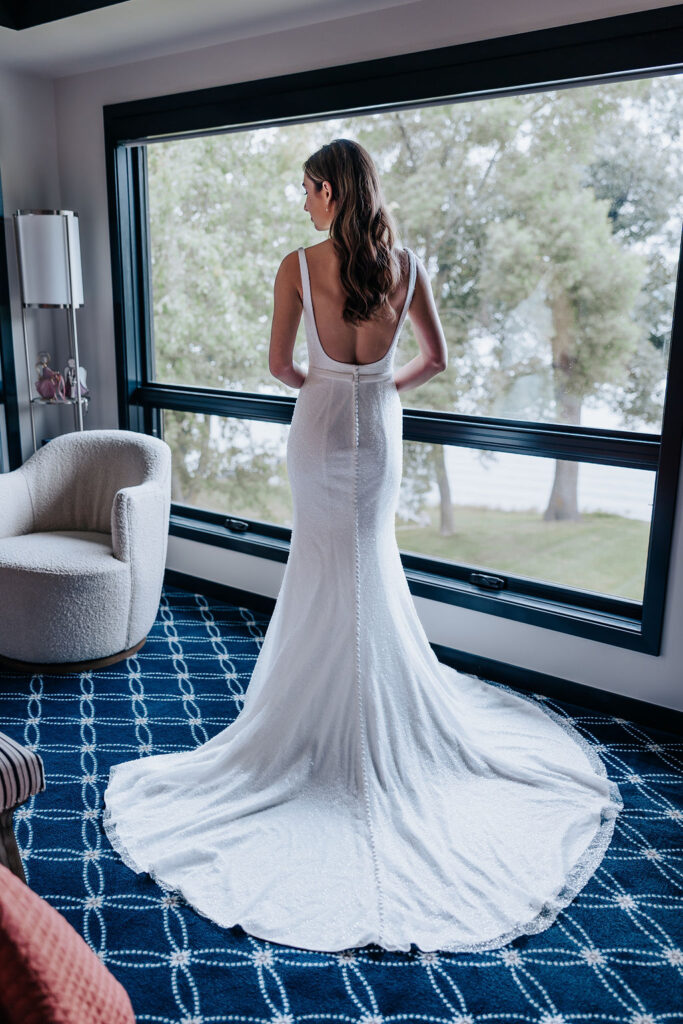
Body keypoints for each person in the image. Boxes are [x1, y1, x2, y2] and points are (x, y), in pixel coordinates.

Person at [102, 138, 622, 954]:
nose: (301, 202)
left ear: (329, 191)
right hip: (378, 433)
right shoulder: (404, 264)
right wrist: (377, 387)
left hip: (318, 435)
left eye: (306, 189)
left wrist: (328, 387)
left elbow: (281, 365)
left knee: (318, 567)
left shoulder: (295, 265)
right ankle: (369, 721)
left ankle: (311, 728)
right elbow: (436, 360)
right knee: (368, 568)